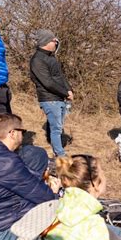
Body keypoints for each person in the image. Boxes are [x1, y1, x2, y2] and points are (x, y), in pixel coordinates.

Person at [29, 29, 73, 157]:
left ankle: (58, 150)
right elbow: (47, 82)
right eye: (54, 40)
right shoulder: (37, 60)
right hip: (49, 99)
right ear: (46, 42)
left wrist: (69, 89)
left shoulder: (51, 57)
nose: (56, 43)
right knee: (57, 129)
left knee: (57, 126)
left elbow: (60, 76)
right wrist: (65, 92)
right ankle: (60, 155)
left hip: (59, 97)